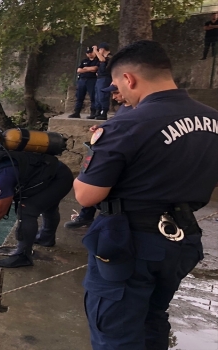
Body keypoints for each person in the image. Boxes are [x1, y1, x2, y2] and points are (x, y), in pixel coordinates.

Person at [73, 40, 218, 349]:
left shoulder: (127, 124)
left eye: (115, 85)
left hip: (130, 244)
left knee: (114, 333)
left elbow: (86, 196)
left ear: (129, 79)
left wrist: (95, 153)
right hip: (182, 239)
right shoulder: (213, 120)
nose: (116, 94)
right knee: (153, 318)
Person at [65, 83, 132, 229]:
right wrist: (101, 128)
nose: (113, 97)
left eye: (116, 92)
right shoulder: (124, 107)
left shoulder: (137, 110)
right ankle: (86, 216)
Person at [69, 46, 99, 119]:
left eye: (91, 52)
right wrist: (89, 69)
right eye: (88, 53)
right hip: (82, 79)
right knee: (79, 96)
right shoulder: (84, 61)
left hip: (92, 79)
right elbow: (79, 70)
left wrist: (85, 69)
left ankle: (93, 112)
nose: (89, 54)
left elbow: (95, 69)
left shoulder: (97, 60)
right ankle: (77, 112)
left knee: (93, 97)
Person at [92, 42, 113, 120]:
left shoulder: (109, 57)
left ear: (102, 49)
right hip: (100, 78)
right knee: (97, 96)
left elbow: (103, 60)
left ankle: (104, 112)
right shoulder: (101, 58)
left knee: (103, 95)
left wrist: (96, 51)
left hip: (105, 78)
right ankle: (97, 111)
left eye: (99, 50)